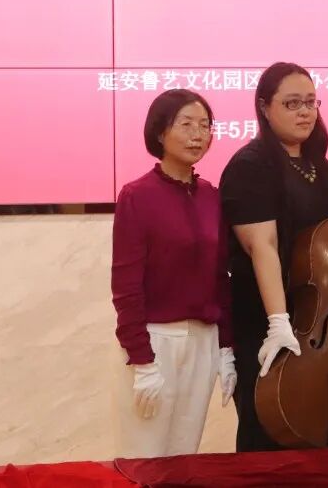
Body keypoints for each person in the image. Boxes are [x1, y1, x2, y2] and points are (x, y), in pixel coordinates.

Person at [219, 62, 328, 452]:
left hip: (314, 317)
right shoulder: (251, 165)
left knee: (315, 431)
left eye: (310, 102)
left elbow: (323, 245)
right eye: (292, 103)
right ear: (264, 107)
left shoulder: (317, 164)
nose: (305, 112)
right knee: (267, 432)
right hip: (269, 320)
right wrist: (277, 322)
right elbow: (263, 247)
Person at [111, 89, 236, 458]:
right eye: (186, 124)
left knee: (184, 456)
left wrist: (226, 347)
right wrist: (142, 360)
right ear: (160, 132)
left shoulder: (212, 196)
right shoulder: (137, 196)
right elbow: (126, 287)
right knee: (143, 457)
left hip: (203, 343)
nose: (198, 135)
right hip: (156, 343)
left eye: (205, 126)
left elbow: (220, 277)